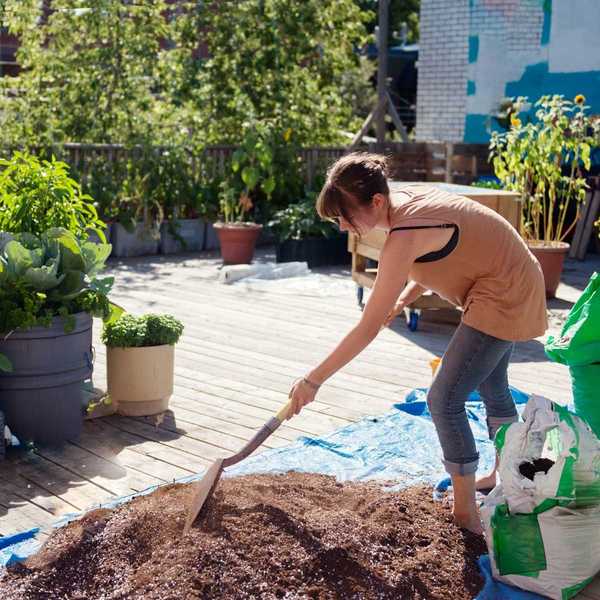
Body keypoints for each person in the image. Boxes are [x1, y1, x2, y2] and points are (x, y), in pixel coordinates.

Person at [287, 152, 547, 534]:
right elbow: (440, 252)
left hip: (504, 293)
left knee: (443, 399)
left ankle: (465, 513)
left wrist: (313, 380)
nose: (343, 226)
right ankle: (506, 474)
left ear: (375, 202)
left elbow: (368, 326)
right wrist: (405, 298)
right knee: (493, 385)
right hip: (515, 277)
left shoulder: (404, 233)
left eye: (345, 216)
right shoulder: (404, 201)